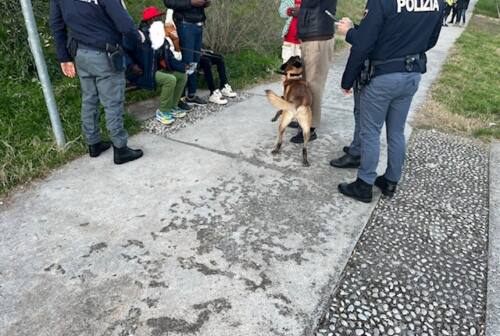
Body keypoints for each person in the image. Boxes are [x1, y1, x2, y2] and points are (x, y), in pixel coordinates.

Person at [335, 0, 444, 202]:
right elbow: (431, 40)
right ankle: (391, 181)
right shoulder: (437, 2)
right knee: (396, 131)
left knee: (370, 132)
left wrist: (349, 34)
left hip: (382, 76)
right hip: (411, 73)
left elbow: (364, 44)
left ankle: (364, 184)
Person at [50, 0, 145, 165]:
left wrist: (64, 57)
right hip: (104, 54)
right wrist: (139, 37)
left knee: (89, 99)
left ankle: (93, 143)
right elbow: (124, 24)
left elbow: (57, 25)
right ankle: (120, 149)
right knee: (112, 102)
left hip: (80, 54)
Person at [134, 7, 189, 125]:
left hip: (157, 70)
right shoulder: (141, 37)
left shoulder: (159, 35)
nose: (160, 19)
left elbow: (168, 57)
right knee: (170, 79)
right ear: (150, 20)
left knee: (182, 75)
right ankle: (163, 111)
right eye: (158, 18)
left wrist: (182, 66)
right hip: (145, 72)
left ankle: (173, 107)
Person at [292, 0, 337, 144]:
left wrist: (301, 11)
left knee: (313, 85)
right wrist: (302, 11)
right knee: (307, 84)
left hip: (318, 38)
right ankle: (304, 119)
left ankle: (309, 128)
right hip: (312, 36)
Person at [164, 0, 211, 105]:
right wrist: (191, 3)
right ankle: (179, 98)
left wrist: (206, 2)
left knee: (195, 61)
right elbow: (169, 2)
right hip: (186, 25)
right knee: (187, 61)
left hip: (198, 24)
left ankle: (191, 94)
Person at [279, 0, 302, 64]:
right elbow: (281, 12)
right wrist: (291, 11)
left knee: (299, 66)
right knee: (286, 64)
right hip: (289, 38)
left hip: (303, 40)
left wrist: (302, 12)